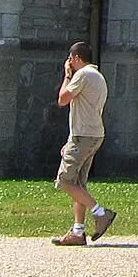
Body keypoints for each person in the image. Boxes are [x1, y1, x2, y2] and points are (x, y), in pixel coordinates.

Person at [51, 41, 117, 246]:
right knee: (78, 184)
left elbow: (62, 99)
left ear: (76, 58)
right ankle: (78, 232)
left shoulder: (82, 75)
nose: (69, 62)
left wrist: (67, 75)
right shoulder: (98, 76)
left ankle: (101, 213)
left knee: (65, 181)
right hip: (92, 134)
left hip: (83, 135)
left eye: (70, 58)